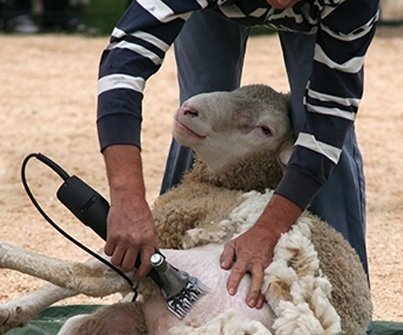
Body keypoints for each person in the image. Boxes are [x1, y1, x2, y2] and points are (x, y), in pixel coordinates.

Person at [97, 0, 378, 309]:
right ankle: (162, 275)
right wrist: (127, 199)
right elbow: (124, 59)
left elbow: (328, 119)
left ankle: (343, 308)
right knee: (200, 111)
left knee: (311, 122)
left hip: (321, 12)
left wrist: (268, 229)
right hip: (214, 7)